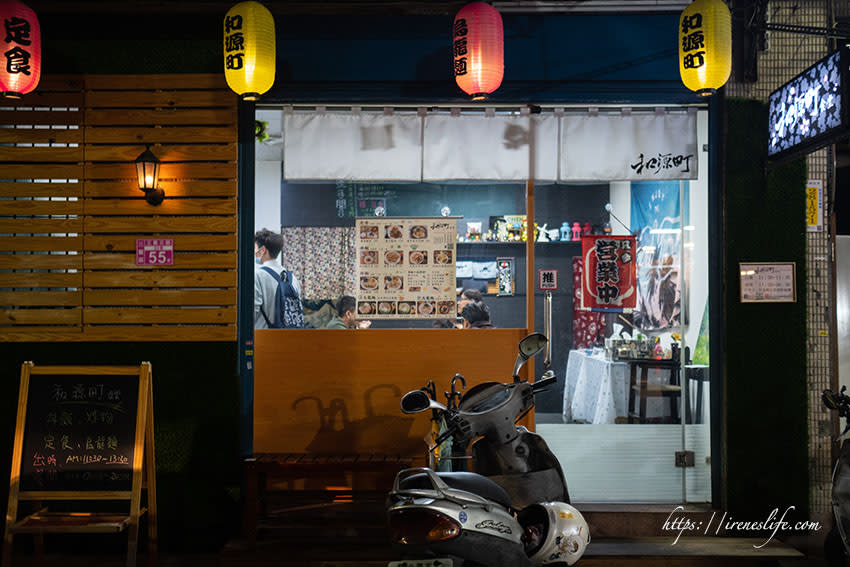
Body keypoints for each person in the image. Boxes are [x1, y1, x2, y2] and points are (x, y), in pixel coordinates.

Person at [254, 228, 302, 329]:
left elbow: (252, 313)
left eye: (255, 248)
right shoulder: (292, 278)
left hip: (264, 338)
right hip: (288, 338)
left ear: (263, 250)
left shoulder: (257, 275)